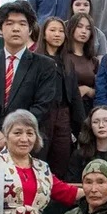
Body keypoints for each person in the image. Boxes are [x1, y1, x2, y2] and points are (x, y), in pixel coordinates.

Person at [0, 1, 56, 153]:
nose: (16, 28)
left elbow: (42, 106)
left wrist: (8, 134)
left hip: (25, 141)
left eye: (22, 24)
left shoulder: (45, 65)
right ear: (0, 29)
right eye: (9, 23)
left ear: (30, 30)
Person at [32, 16, 88, 178]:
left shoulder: (67, 62)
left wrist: (82, 127)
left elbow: (75, 96)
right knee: (39, 160)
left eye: (61, 31)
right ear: (44, 34)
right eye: (52, 30)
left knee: (61, 160)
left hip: (63, 115)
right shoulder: (34, 60)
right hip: (42, 116)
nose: (57, 34)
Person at [67, 105, 107, 183]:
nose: (101, 125)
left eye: (106, 121)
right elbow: (73, 183)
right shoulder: (79, 155)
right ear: (90, 126)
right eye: (96, 122)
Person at [63, 11, 100, 111]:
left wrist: (87, 90)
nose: (84, 31)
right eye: (79, 26)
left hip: (87, 108)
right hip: (66, 108)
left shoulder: (93, 60)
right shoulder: (62, 56)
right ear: (71, 28)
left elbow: (100, 90)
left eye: (88, 28)